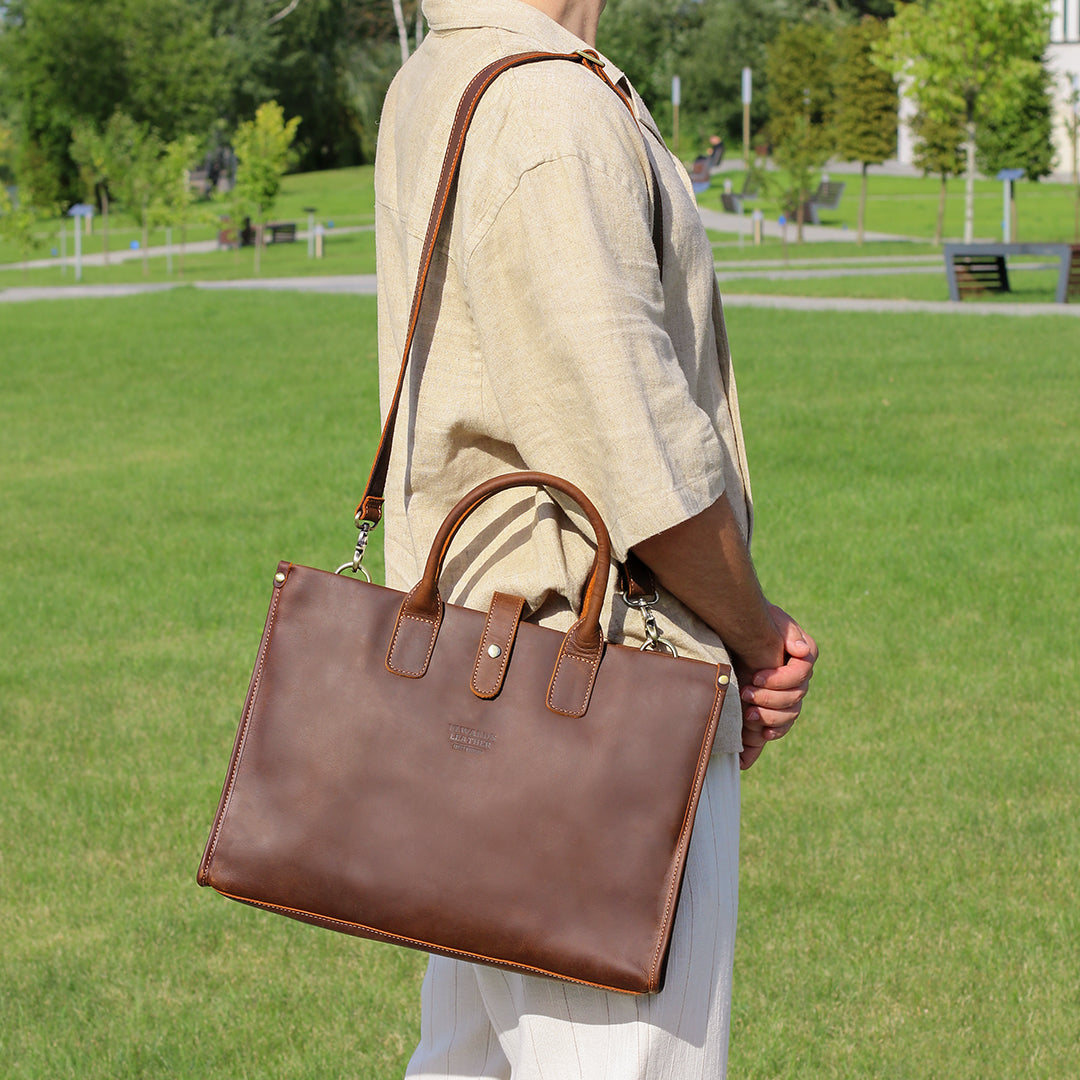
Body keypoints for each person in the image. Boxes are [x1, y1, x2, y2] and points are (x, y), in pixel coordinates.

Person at [373, 1, 818, 1076]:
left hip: (483, 694)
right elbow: (638, 463)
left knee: (470, 1062)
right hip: (594, 715)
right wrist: (756, 639)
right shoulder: (547, 105)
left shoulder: (452, 66)